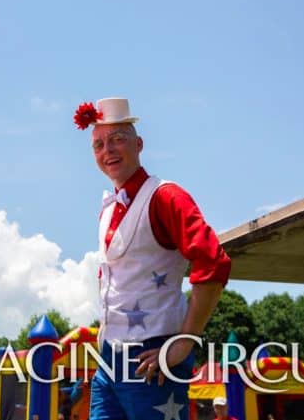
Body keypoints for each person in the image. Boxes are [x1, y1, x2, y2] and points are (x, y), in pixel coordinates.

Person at [73, 98, 231, 420]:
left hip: (152, 355)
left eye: (118, 138)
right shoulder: (107, 208)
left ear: (139, 143)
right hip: (109, 357)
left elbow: (213, 263)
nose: (108, 150)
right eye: (99, 144)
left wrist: (184, 343)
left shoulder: (165, 196)